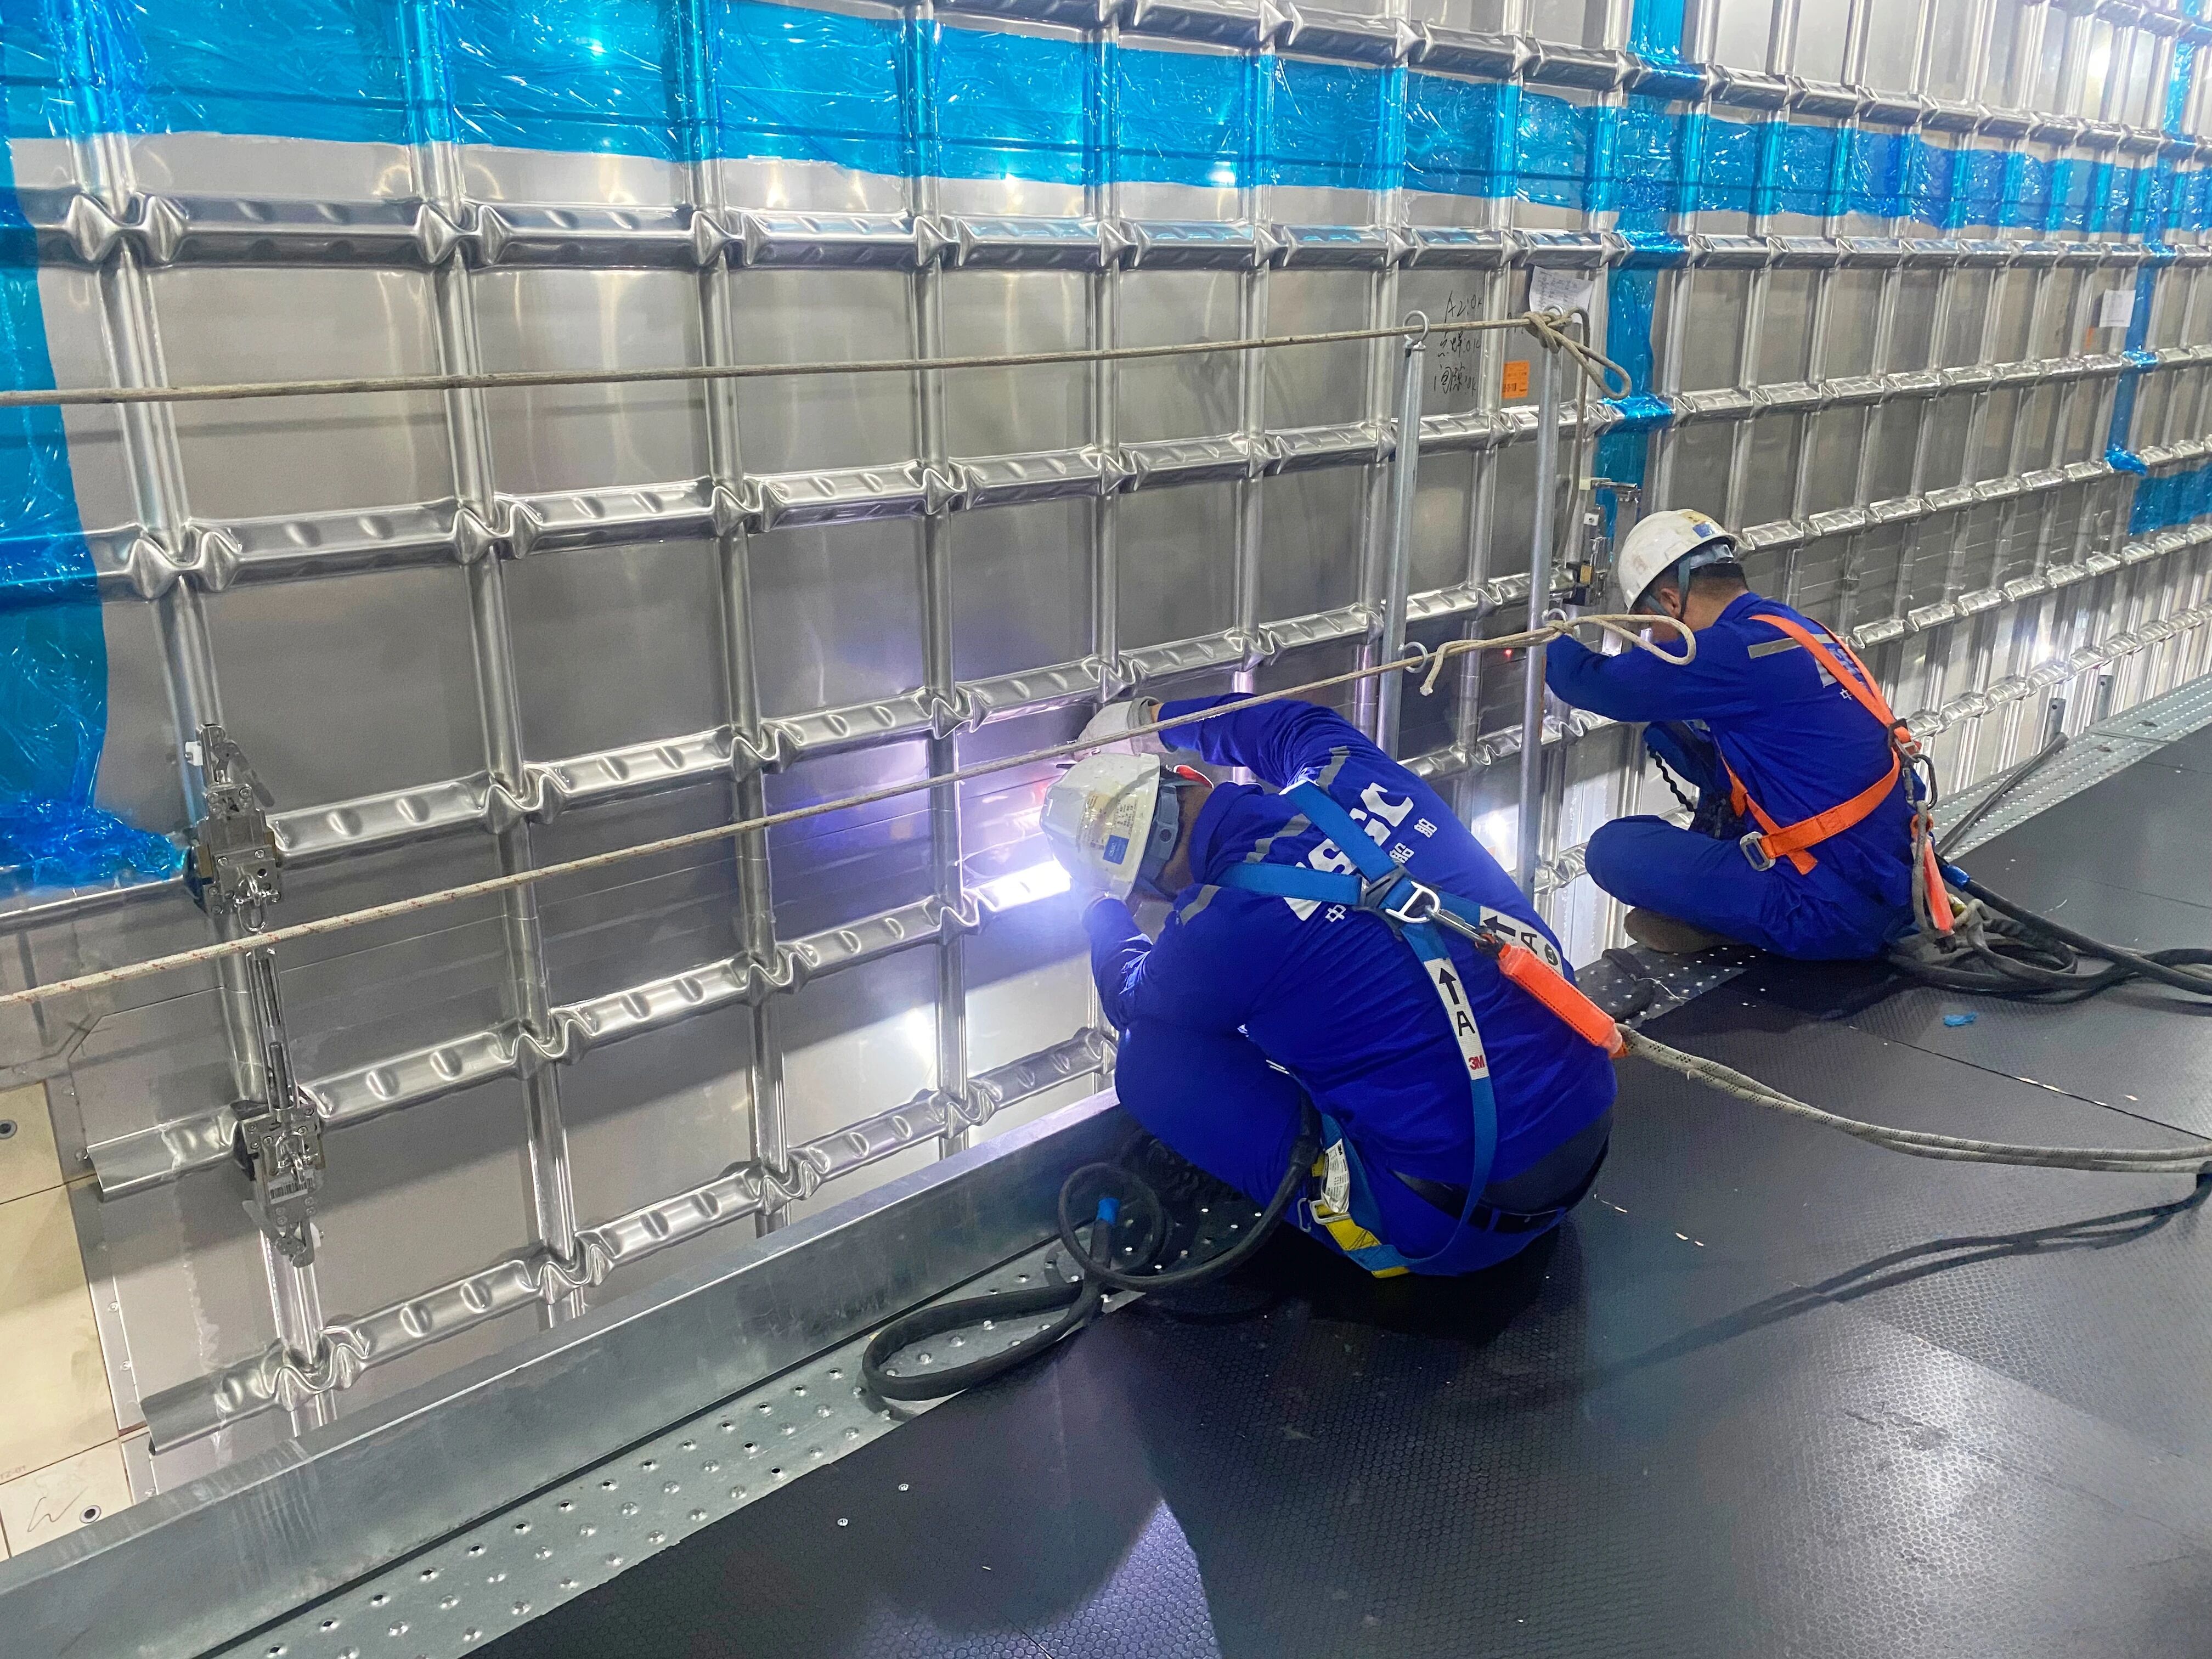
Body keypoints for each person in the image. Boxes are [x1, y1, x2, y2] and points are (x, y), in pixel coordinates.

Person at [1038, 693, 1620, 1278]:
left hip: (1458, 1231)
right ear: (1193, 776)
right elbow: (1285, 721)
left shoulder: (1212, 930)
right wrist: (1152, 720)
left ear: (1146, 895)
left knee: (1150, 1058)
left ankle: (1361, 1209)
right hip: (1595, 1128)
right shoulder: (1349, 768)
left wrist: (1099, 909)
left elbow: (1129, 997)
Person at [1543, 507, 1918, 961]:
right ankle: (1735, 893)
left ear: (1671, 602)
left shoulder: (1730, 652)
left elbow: (1596, 684)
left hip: (1825, 909)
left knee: (1613, 851)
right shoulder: (1795, 629)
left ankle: (1731, 918)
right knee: (1675, 734)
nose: (1653, 639)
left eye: (1648, 626)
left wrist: (1544, 635)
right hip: (1896, 884)